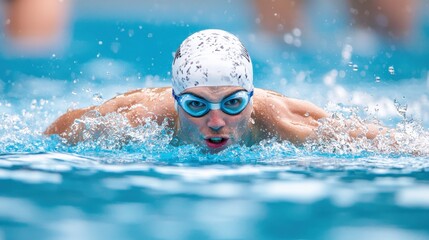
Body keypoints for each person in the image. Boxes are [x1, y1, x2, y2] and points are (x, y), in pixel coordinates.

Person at [44, 29, 387, 152]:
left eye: (233, 103)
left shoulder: (283, 122)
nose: (217, 121)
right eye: (196, 106)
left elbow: (386, 143)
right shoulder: (139, 119)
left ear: (251, 99)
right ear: (176, 103)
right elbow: (56, 135)